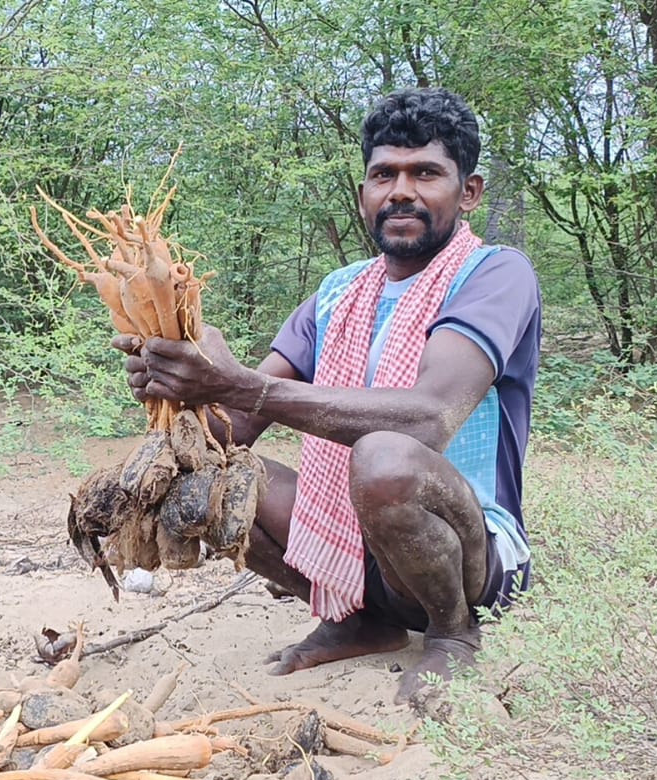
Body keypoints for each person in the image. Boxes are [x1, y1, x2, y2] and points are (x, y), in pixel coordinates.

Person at [115, 87, 541, 704]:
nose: (401, 190)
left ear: (468, 192)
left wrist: (242, 383)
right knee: (206, 478)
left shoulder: (496, 274)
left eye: (426, 173)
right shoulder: (335, 295)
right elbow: (230, 429)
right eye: (383, 174)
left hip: (474, 558)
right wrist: (176, 382)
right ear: (364, 193)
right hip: (364, 550)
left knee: (386, 459)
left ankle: (453, 633)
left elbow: (427, 420)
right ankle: (361, 618)